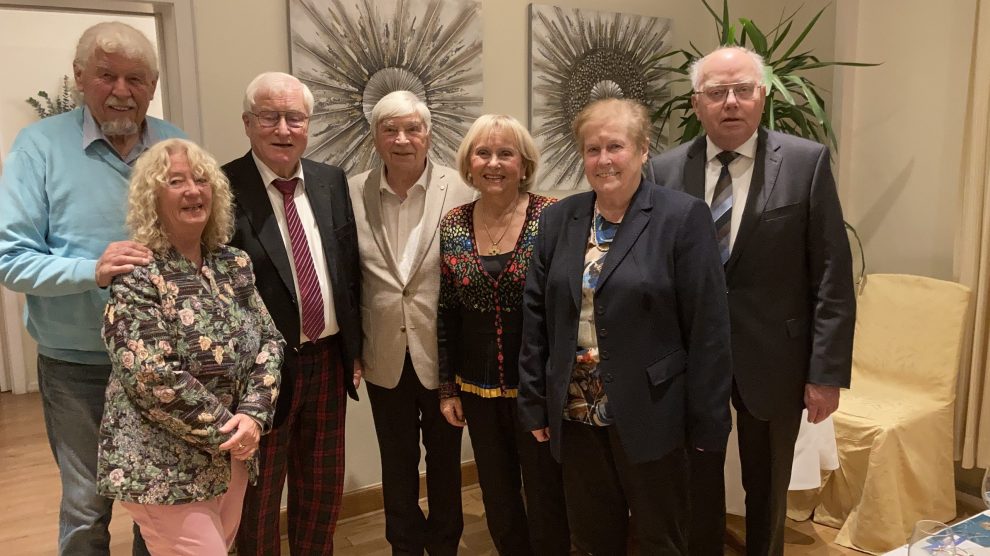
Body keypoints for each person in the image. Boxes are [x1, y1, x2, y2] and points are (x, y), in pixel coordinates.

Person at [646, 46, 856, 556]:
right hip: (691, 363)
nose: (731, 103)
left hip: (774, 359)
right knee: (697, 483)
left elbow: (831, 273)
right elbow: (652, 272)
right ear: (697, 104)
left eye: (743, 90)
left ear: (763, 97)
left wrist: (825, 373)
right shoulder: (664, 171)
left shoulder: (805, 162)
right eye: (716, 93)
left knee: (766, 489)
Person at [0, 21, 185, 555]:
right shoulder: (38, 146)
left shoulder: (176, 145)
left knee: (161, 502)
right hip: (78, 364)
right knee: (86, 506)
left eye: (136, 78)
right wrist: (91, 270)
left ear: (152, 85)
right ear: (80, 78)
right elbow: (10, 260)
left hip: (161, 362)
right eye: (107, 76)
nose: (122, 91)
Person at [517, 97, 732, 555]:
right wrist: (535, 402)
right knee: (593, 538)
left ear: (642, 150)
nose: (604, 160)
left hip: (654, 411)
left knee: (661, 538)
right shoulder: (559, 219)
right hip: (576, 414)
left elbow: (708, 329)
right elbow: (537, 318)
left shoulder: (681, 217)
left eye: (615, 146)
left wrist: (708, 424)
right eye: (592, 149)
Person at [97, 138, 282, 555]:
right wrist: (231, 431)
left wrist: (253, 416)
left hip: (233, 452)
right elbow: (152, 376)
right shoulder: (137, 273)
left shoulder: (233, 263)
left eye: (201, 180)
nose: (193, 190)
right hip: (164, 466)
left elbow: (269, 340)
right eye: (176, 181)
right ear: (153, 198)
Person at [224, 71, 363, 555]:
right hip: (259, 376)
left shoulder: (330, 180)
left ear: (308, 124)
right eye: (270, 117)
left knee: (322, 491)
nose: (283, 129)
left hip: (327, 361)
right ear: (247, 123)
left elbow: (347, 272)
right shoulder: (223, 187)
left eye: (294, 118)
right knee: (258, 501)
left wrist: (356, 349)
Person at [349, 90, 475, 556]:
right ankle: (403, 544)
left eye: (412, 128)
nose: (402, 139)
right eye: (390, 129)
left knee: (446, 461)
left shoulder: (464, 188)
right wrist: (352, 349)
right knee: (396, 462)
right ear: (376, 135)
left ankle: (444, 544)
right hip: (383, 352)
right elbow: (346, 275)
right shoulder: (351, 191)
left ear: (427, 133)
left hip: (444, 355)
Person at [437, 114, 570, 555]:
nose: (494, 163)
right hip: (476, 387)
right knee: (497, 492)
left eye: (505, 153)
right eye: (483, 153)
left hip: (539, 386)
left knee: (546, 488)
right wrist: (446, 387)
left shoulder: (552, 216)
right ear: (469, 164)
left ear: (523, 163)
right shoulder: (454, 222)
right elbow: (446, 311)